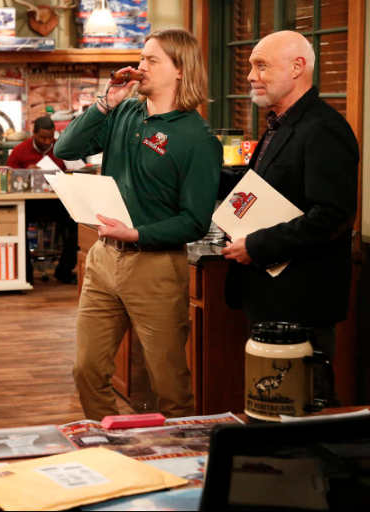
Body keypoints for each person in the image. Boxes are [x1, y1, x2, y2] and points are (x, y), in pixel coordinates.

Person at [54, 28, 222, 420]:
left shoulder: (198, 139)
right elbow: (66, 149)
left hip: (156, 267)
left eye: (151, 60)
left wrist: (136, 234)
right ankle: (110, 442)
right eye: (141, 57)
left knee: (170, 386)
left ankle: (181, 451)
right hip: (103, 260)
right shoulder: (124, 112)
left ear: (180, 70)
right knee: (87, 370)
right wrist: (105, 103)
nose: (140, 66)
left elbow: (195, 221)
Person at [219, 30, 359, 403]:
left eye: (261, 66)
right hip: (268, 298)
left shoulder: (323, 128)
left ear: (298, 67)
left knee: (304, 412)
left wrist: (257, 246)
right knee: (270, 408)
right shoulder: (279, 124)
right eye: (251, 66)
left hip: (301, 301)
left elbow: (333, 215)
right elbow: (256, 187)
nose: (251, 76)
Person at [7, 116, 78, 285]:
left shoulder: (62, 148)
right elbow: (9, 179)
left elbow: (77, 172)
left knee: (79, 225)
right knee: (16, 226)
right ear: (34, 134)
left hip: (57, 204)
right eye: (42, 137)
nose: (47, 142)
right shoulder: (19, 151)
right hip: (29, 205)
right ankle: (26, 274)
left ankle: (64, 271)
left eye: (50, 137)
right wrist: (26, 173)